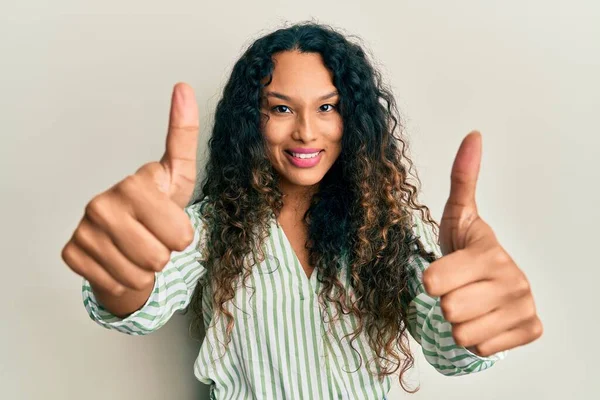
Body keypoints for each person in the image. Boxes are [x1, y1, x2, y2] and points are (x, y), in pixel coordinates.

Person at [61, 21, 542, 399]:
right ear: (252, 120)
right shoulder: (212, 227)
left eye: (327, 108)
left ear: (352, 118)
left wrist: (477, 326)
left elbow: (447, 347)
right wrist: (119, 278)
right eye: (282, 109)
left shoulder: (388, 228)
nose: (307, 133)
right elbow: (138, 307)